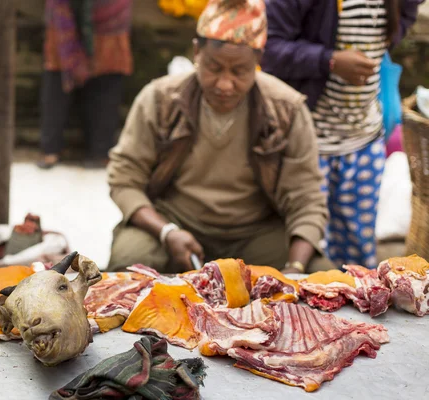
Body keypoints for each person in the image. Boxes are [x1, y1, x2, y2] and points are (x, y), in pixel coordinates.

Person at [106, 0, 330, 274]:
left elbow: (306, 197)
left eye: (239, 71)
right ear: (197, 51)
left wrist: (294, 270)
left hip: (256, 233)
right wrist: (166, 232)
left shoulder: (286, 109)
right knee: (127, 265)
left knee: (319, 276)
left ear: (258, 60)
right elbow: (124, 179)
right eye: (213, 68)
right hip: (175, 222)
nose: (225, 84)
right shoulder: (160, 99)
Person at [262, 0, 424, 268]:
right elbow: (270, 48)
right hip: (306, 147)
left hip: (364, 145)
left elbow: (404, 15)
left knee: (358, 258)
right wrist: (330, 61)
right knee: (303, 250)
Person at [38, 0, 133, 169]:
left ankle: (101, 150)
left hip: (110, 14)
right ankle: (50, 148)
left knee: (108, 75)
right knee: (57, 76)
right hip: (64, 13)